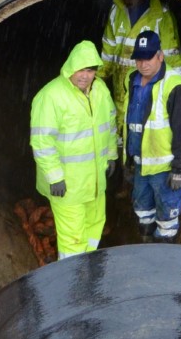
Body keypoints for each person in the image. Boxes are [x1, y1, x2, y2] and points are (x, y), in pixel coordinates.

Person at [29, 39, 117, 259]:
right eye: (81, 69)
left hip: (95, 181)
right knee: (72, 238)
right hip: (67, 185)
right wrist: (54, 176)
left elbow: (110, 124)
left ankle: (87, 269)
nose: (85, 75)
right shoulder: (51, 96)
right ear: (70, 67)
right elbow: (42, 141)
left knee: (95, 225)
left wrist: (112, 155)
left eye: (90, 70)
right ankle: (72, 282)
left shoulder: (101, 90)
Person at [124, 28, 181, 242]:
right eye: (139, 59)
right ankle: (146, 253)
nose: (143, 64)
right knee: (143, 214)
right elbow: (128, 121)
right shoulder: (131, 79)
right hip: (141, 164)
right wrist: (128, 159)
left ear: (160, 56)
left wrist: (179, 169)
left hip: (165, 169)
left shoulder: (175, 85)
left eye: (148, 58)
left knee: (166, 221)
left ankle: (165, 263)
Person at [99, 0, 181, 132]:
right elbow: (108, 50)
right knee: (122, 122)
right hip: (121, 84)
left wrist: (176, 91)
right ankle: (125, 150)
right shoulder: (116, 9)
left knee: (147, 123)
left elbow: (171, 55)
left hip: (150, 84)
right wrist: (98, 79)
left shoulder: (161, 15)